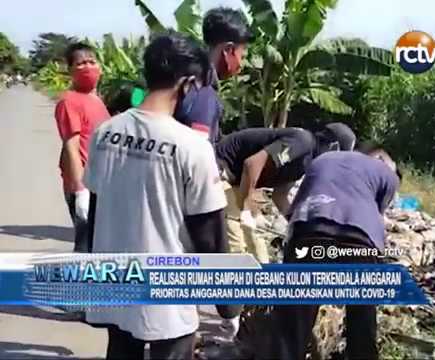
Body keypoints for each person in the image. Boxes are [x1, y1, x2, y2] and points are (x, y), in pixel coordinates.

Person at [83, 31, 240, 360]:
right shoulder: (192, 146)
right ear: (187, 84)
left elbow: (96, 211)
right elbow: (209, 234)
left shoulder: (105, 133)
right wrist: (229, 304)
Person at [256, 145, 401, 360]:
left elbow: (295, 210)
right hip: (359, 241)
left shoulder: (324, 159)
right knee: (362, 324)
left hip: (309, 233)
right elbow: (376, 216)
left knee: (291, 327)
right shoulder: (387, 173)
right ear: (383, 160)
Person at [216, 123, 357, 264]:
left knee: (257, 241)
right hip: (221, 168)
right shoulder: (302, 142)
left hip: (240, 182)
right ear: (334, 147)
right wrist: (246, 208)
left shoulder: (306, 161)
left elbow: (280, 195)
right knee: (236, 239)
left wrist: (296, 225)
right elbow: (251, 164)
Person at [54, 42, 110, 252]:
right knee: (86, 247)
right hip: (85, 185)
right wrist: (80, 190)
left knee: (99, 245)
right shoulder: (69, 102)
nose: (87, 67)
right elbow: (71, 146)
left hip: (101, 184)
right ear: (70, 71)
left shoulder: (97, 100)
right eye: (80, 63)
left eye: (91, 62)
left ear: (100, 67)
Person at [174, 7, 252, 145]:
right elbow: (198, 153)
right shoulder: (204, 92)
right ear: (228, 50)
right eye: (242, 55)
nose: (241, 64)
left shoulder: (182, 74)